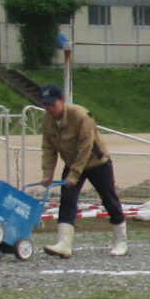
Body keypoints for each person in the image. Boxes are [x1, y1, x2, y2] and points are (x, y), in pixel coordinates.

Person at [36, 85, 127, 257]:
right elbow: (48, 148)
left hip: (97, 163)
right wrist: (47, 173)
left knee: (109, 199)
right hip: (72, 164)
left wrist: (75, 174)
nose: (48, 109)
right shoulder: (46, 120)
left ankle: (120, 242)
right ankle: (64, 244)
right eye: (45, 105)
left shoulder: (80, 115)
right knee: (67, 200)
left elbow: (85, 146)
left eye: (52, 104)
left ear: (62, 100)